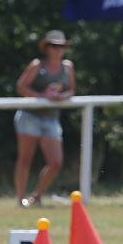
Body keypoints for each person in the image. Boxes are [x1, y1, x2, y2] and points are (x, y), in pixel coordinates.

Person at [14, 30, 76, 207]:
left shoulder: (68, 67)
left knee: (56, 162)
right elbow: (21, 87)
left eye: (61, 46)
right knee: (25, 159)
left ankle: (37, 195)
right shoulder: (37, 65)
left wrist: (63, 96)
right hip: (30, 116)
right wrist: (41, 97)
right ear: (47, 48)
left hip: (51, 119)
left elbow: (72, 89)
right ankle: (21, 198)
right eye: (54, 46)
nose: (58, 49)